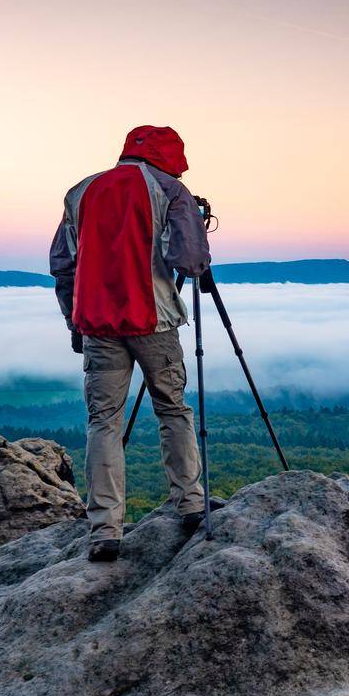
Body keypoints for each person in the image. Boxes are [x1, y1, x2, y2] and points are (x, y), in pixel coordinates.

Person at [49, 125, 213, 562]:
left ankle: (104, 530)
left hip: (98, 324)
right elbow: (191, 262)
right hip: (153, 320)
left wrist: (75, 323)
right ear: (168, 157)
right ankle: (192, 503)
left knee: (103, 421)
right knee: (172, 408)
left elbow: (63, 264)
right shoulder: (170, 189)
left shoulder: (81, 192)